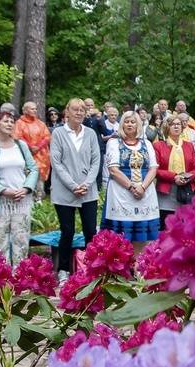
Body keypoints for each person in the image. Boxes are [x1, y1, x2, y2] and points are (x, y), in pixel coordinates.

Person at [49, 98, 101, 284]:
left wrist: (86, 183)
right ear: (67, 112)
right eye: (75, 110)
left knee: (89, 231)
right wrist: (73, 185)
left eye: (82, 110)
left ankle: (92, 268)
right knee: (67, 231)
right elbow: (56, 162)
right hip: (65, 191)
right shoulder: (58, 133)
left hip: (88, 190)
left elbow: (96, 161)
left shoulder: (91, 134)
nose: (79, 113)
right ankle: (63, 270)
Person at [0, 112, 39, 267]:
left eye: (12, 121)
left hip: (21, 200)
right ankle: (2, 278)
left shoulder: (21, 145)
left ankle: (21, 278)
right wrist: (4, 191)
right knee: (0, 243)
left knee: (21, 241)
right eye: (6, 121)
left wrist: (26, 188)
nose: (10, 124)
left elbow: (33, 169)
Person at [101, 111, 160, 254]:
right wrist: (133, 187)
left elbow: (153, 167)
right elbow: (113, 170)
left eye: (133, 122)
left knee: (141, 234)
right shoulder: (114, 142)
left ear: (138, 124)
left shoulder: (146, 143)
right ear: (122, 124)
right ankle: (121, 268)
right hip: (121, 193)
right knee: (121, 235)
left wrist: (143, 187)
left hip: (145, 192)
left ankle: (137, 266)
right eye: (126, 121)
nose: (129, 124)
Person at [154, 115, 195, 228]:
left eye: (178, 124)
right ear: (167, 128)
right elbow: (155, 170)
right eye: (172, 124)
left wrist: (187, 177)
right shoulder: (158, 146)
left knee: (187, 228)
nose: (176, 127)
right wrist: (174, 177)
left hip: (186, 190)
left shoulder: (189, 146)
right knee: (167, 228)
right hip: (166, 192)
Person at [12, 101, 51, 203]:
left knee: (39, 176)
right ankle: (26, 196)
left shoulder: (40, 123)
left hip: (40, 154)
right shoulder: (19, 123)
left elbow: (47, 136)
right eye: (32, 108)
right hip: (25, 154)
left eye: (35, 109)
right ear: (25, 110)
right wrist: (30, 146)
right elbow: (17, 136)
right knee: (27, 175)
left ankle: (39, 197)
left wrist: (38, 147)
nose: (34, 110)